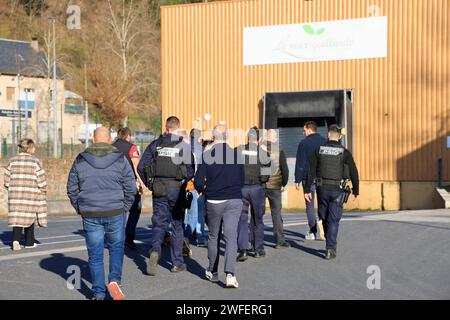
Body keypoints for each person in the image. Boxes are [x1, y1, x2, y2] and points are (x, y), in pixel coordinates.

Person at [67, 127, 136, 300]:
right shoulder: (120, 159)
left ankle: (98, 292)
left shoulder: (80, 159)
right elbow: (130, 187)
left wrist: (80, 207)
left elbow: (72, 188)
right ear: (110, 139)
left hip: (90, 212)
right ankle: (114, 281)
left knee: (95, 254)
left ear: (93, 139)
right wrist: (124, 206)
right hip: (115, 210)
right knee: (116, 248)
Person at [137, 116, 194, 276]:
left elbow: (141, 166)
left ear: (166, 127)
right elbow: (191, 170)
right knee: (177, 224)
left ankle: (155, 250)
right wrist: (184, 180)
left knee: (159, 223)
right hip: (177, 188)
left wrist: (150, 184)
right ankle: (177, 263)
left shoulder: (155, 144)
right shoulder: (183, 146)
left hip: (159, 188)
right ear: (178, 128)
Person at [194, 124, 244, 288]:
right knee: (231, 236)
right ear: (227, 137)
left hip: (214, 200)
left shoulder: (207, 155)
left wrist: (204, 190)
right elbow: (242, 179)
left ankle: (213, 271)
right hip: (234, 199)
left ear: (214, 138)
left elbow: (198, 182)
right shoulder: (237, 155)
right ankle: (230, 274)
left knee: (213, 236)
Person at [304, 125, 359, 260]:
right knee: (333, 219)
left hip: (321, 189)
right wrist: (356, 190)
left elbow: (311, 171)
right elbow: (353, 171)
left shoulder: (318, 150)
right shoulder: (344, 152)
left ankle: (329, 241)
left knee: (324, 216)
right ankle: (330, 248)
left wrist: (306, 189)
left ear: (328, 135)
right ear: (339, 137)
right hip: (337, 191)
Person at [4, 139, 47, 251]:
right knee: (29, 218)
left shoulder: (12, 161)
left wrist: (12, 188)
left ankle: (15, 241)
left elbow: (6, 180)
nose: (35, 149)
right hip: (30, 195)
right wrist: (42, 189)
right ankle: (29, 242)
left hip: (15, 196)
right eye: (33, 147)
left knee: (17, 218)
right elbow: (42, 181)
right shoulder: (35, 162)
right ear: (28, 149)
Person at [236, 127, 271, 261]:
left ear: (247, 138)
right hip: (257, 188)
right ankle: (258, 249)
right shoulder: (262, 153)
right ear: (259, 139)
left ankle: (243, 250)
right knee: (258, 219)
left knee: (242, 219)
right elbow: (266, 174)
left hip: (241, 188)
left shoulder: (238, 150)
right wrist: (260, 180)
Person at [112, 127, 144, 250]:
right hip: (128, 184)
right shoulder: (132, 147)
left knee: (119, 212)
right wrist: (141, 183)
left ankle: (117, 239)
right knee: (136, 209)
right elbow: (136, 167)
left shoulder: (111, 147)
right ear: (128, 136)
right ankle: (129, 238)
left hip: (114, 184)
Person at [295, 121, 327, 241]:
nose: (303, 132)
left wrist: (297, 179)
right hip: (322, 178)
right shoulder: (324, 141)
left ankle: (312, 231)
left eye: (304, 130)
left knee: (309, 205)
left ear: (309, 130)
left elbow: (300, 163)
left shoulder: (303, 143)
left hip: (307, 179)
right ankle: (324, 227)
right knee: (322, 203)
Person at [262, 129, 290, 249]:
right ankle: (279, 241)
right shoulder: (279, 150)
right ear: (275, 138)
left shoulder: (259, 149)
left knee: (257, 213)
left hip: (261, 185)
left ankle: (255, 241)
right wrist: (284, 183)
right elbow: (285, 169)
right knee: (276, 213)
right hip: (275, 186)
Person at [183, 129, 207, 258]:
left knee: (183, 213)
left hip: (182, 184)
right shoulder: (201, 150)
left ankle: (181, 235)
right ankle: (199, 237)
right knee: (197, 213)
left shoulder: (184, 148)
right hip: (195, 184)